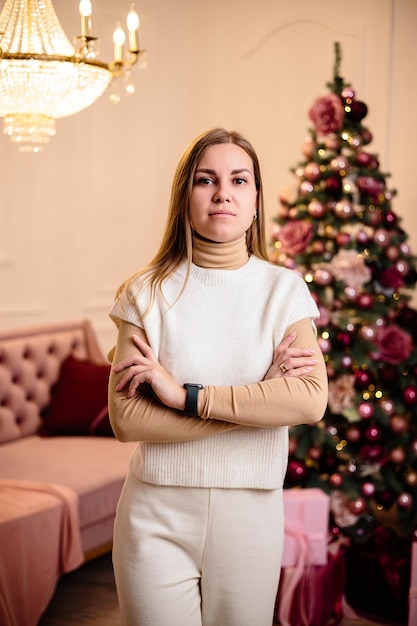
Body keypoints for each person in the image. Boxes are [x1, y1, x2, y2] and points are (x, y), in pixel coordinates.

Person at [108, 127, 328, 626]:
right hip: (154, 514)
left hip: (250, 518)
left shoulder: (284, 291)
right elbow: (127, 420)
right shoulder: (144, 293)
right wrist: (259, 402)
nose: (223, 192)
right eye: (206, 179)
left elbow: (309, 401)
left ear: (255, 200)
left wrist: (185, 397)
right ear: (185, 196)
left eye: (239, 180)